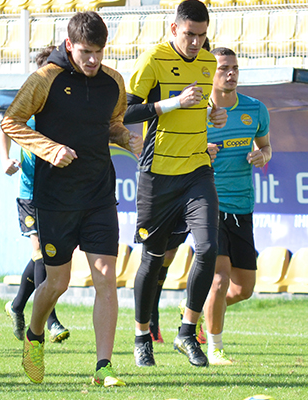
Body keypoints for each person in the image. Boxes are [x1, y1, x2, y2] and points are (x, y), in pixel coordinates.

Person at [1, 11, 139, 386]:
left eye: (98, 52)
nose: (92, 60)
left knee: (106, 277)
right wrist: (49, 149)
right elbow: (10, 122)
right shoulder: (45, 79)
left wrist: (128, 138)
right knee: (57, 283)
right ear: (68, 45)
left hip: (98, 194)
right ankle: (34, 335)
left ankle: (104, 367)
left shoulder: (114, 82)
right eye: (84, 52)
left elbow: (111, 124)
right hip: (55, 198)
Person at [125, 0, 228, 369]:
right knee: (152, 259)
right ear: (174, 29)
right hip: (157, 173)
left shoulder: (209, 61)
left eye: (202, 36)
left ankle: (187, 331)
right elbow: (126, 111)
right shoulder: (153, 59)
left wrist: (216, 111)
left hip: (197, 170)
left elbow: (208, 103)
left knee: (207, 248)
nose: (196, 43)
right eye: (190, 35)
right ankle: (141, 335)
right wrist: (174, 103)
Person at [199, 47, 271, 365]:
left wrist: (262, 155)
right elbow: (177, 151)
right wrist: (201, 151)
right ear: (210, 74)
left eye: (235, 68)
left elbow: (266, 146)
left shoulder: (255, 109)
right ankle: (214, 348)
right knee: (219, 278)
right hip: (208, 204)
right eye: (223, 68)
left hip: (243, 206)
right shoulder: (198, 112)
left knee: (244, 288)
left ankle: (199, 315)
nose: (231, 73)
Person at [2, 45, 70, 344]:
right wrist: (5, 160)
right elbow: (6, 126)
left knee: (50, 254)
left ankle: (16, 305)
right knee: (41, 252)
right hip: (31, 192)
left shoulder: (67, 103)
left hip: (58, 193)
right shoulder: (29, 102)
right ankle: (50, 320)